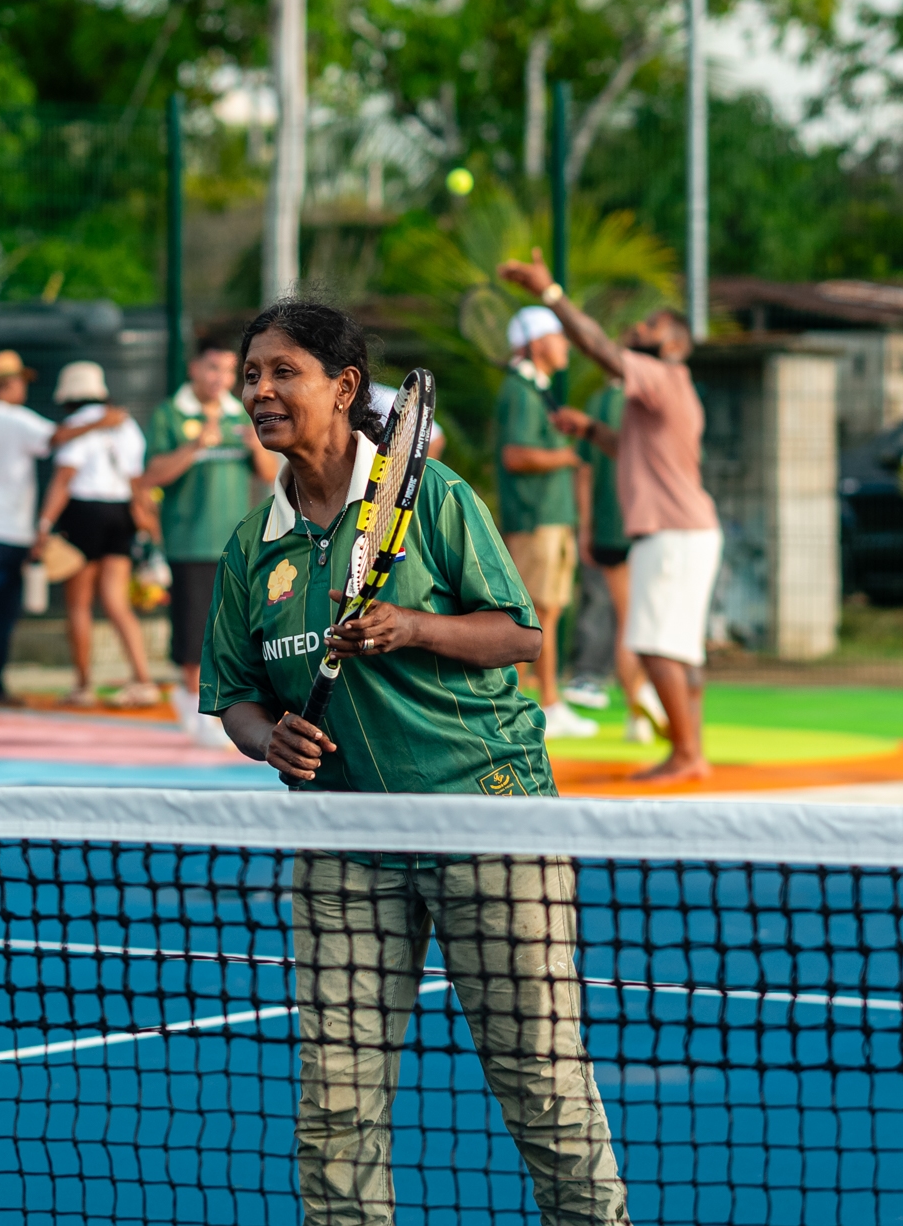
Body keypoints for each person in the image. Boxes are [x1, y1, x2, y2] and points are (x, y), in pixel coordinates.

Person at [201, 299, 631, 1226]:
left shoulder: (432, 497)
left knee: (542, 1088)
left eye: (283, 372)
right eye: (252, 375)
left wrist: (414, 627)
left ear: (344, 386)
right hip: (345, 839)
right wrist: (266, 737)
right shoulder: (251, 549)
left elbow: (519, 635)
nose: (260, 391)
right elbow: (235, 693)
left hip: (485, 822)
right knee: (335, 1106)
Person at [500, 249, 720, 783]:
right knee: (680, 649)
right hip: (689, 533)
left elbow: (598, 346)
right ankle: (692, 750)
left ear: (672, 344)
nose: (637, 328)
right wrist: (592, 431)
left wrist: (550, 293)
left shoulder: (662, 375)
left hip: (672, 534)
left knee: (654, 645)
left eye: (651, 325)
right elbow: (632, 452)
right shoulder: (667, 394)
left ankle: (686, 754)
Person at [0, 350, 126, 705]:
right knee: (1, 613)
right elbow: (57, 436)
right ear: (6, 384)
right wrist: (100, 423)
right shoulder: (17, 420)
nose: (23, 388)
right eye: (19, 381)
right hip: (10, 531)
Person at [140, 337, 277, 743]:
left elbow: (271, 472)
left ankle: (227, 704)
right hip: (190, 540)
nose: (221, 378)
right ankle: (195, 703)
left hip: (239, 541)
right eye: (213, 368)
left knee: (236, 629)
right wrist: (196, 445)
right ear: (194, 369)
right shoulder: (171, 414)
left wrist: (256, 447)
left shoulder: (244, 413)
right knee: (194, 627)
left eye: (229, 370)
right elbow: (152, 475)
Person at [496, 306, 598, 739]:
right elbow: (515, 455)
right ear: (537, 343)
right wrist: (568, 456)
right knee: (530, 618)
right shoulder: (520, 391)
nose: (566, 345)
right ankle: (514, 710)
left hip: (551, 520)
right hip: (534, 520)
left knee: (547, 615)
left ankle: (549, 702)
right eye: (558, 336)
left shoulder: (535, 388)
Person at [34, 360, 158, 707]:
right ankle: (143, 679)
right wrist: (148, 519)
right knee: (116, 601)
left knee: (79, 604)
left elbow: (63, 480)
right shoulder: (126, 423)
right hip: (120, 512)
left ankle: (83, 685)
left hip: (84, 513)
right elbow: (136, 478)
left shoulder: (76, 425)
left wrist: (43, 525)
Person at [563, 379, 667, 744]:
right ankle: (638, 708)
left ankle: (638, 709)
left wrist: (586, 528)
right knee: (641, 620)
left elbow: (584, 470)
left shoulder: (597, 402)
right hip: (645, 527)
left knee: (628, 619)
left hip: (608, 529)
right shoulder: (650, 400)